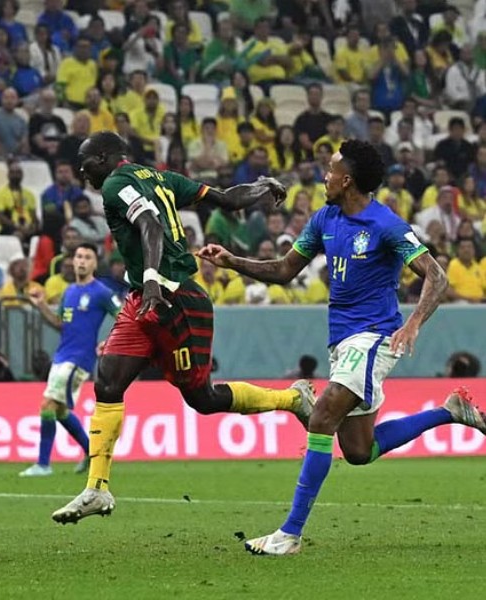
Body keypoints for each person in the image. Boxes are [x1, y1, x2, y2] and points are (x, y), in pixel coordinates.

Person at [197, 139, 486, 556]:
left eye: (330, 171)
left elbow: (436, 277)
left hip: (374, 338)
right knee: (357, 450)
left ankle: (289, 534)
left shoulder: (385, 225)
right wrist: (231, 261)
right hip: (343, 341)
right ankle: (449, 412)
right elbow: (283, 270)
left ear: (347, 180)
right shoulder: (323, 219)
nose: (324, 177)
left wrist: (413, 324)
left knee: (321, 417)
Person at [51, 132, 314, 524]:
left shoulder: (115, 184)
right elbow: (226, 198)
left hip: (176, 297)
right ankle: (96, 489)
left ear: (105, 158)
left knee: (202, 399)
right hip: (143, 297)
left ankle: (292, 400)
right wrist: (260, 187)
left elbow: (151, 226)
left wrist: (154, 279)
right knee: (107, 381)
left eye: (86, 162)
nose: (82, 170)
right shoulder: (162, 178)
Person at [20, 243, 119, 477]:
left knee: (47, 405)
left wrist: (110, 341)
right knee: (61, 410)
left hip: (79, 359)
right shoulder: (69, 292)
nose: (82, 260)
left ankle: (43, 464)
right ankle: (91, 451)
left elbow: (123, 316)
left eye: (87, 257)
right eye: (79, 256)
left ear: (94, 263)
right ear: (73, 262)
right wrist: (41, 305)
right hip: (62, 354)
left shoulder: (102, 292)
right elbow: (60, 324)